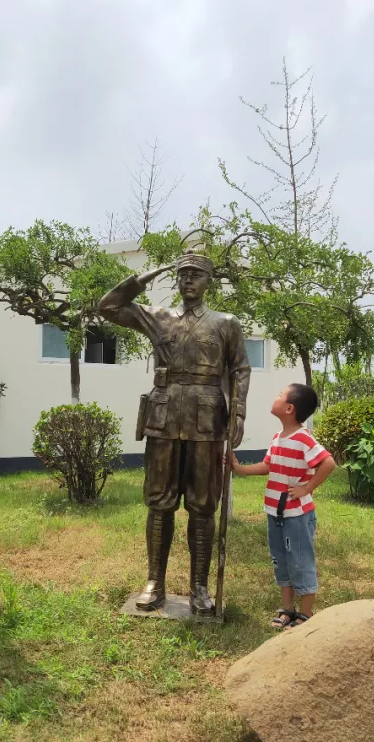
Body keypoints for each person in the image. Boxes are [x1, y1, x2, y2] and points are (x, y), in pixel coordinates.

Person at [97, 250, 250, 616]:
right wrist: (145, 276)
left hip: (206, 419)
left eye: (197, 275)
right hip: (164, 416)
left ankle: (199, 587)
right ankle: (155, 581)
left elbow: (240, 369)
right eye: (183, 274)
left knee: (202, 505)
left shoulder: (226, 323)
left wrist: (239, 412)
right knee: (159, 502)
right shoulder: (158, 317)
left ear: (209, 281)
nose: (189, 280)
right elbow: (108, 306)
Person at [230, 383, 335, 629]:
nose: (275, 396)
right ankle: (288, 609)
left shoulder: (303, 438)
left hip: (297, 515)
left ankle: (306, 613)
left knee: (300, 560)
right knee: (281, 560)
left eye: (280, 395)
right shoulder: (279, 438)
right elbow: (269, 466)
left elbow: (328, 463)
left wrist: (306, 489)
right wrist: (239, 469)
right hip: (275, 513)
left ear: (289, 408)